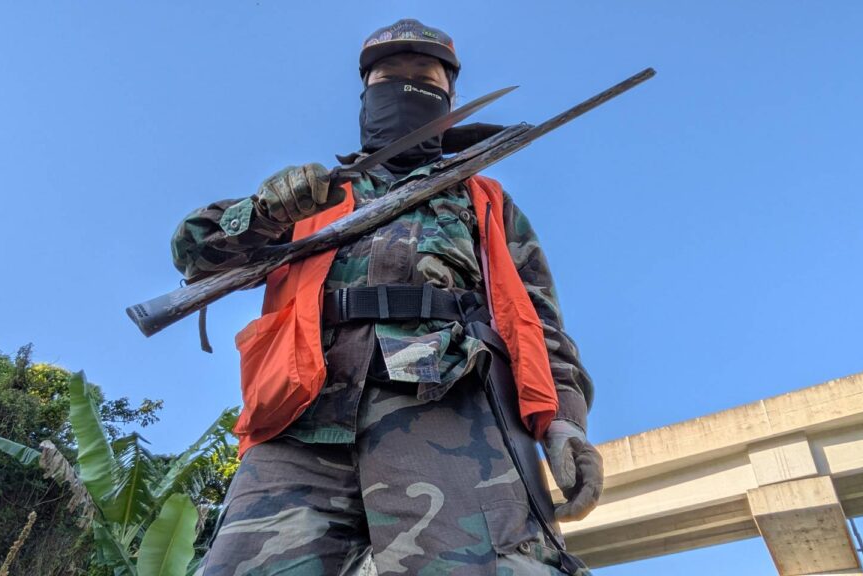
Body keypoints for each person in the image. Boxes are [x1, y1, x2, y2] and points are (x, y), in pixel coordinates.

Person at [172, 18, 603, 576]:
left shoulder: (484, 200)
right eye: (388, 75)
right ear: (366, 94)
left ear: (449, 97)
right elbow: (194, 251)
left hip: (451, 409)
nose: (405, 85)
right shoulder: (313, 195)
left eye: (424, 75)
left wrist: (564, 422)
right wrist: (264, 211)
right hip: (300, 420)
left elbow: (539, 324)